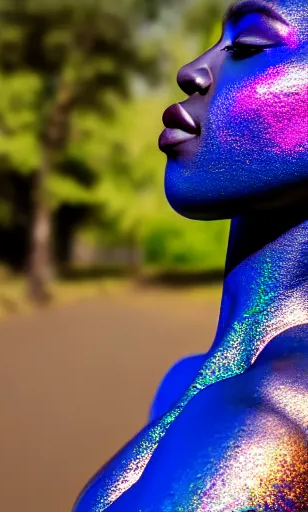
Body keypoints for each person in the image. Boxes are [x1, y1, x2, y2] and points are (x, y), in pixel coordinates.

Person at [72, 0, 308, 510]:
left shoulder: (263, 428)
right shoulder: (188, 382)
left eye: (247, 45)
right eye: (218, 41)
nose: (192, 70)